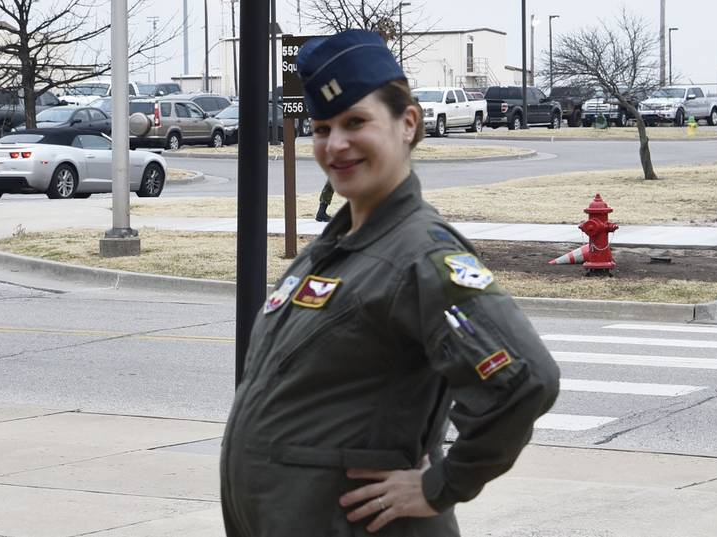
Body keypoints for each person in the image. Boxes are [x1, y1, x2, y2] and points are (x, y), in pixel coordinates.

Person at [220, 29, 560, 537]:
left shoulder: (420, 255)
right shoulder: (336, 249)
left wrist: (440, 485)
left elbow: (525, 380)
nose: (335, 144)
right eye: (322, 127)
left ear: (408, 123)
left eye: (356, 122)